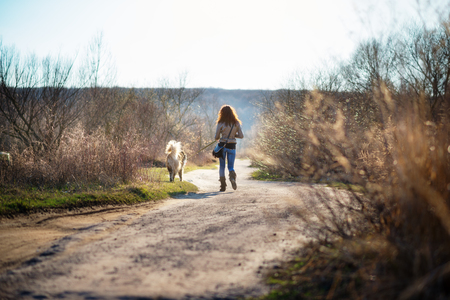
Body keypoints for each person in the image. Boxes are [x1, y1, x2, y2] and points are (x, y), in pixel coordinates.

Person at [214, 105, 244, 192]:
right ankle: (232, 177)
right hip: (232, 146)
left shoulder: (220, 123)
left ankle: (223, 186)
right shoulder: (236, 123)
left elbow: (216, 137)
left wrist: (222, 136)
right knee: (230, 166)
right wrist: (233, 135)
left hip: (222, 146)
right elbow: (241, 136)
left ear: (222, 113)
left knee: (222, 166)